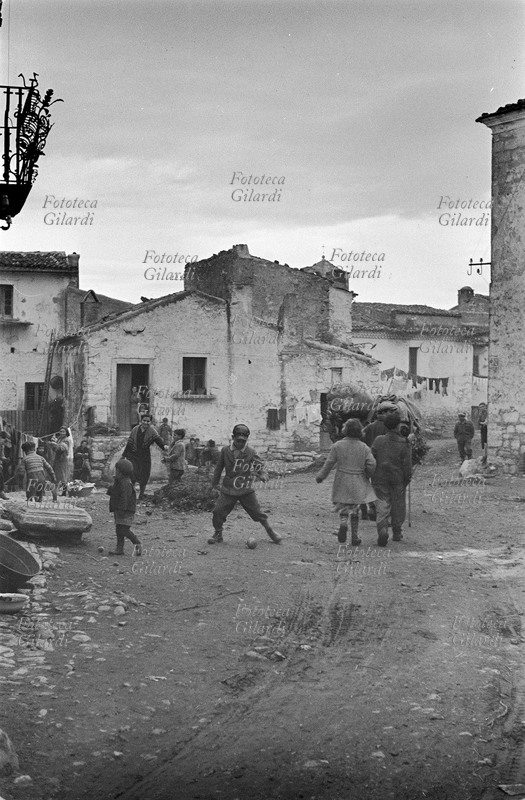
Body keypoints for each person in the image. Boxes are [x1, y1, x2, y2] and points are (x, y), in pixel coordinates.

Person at [209, 424, 281, 545]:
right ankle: (218, 533)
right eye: (238, 441)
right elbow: (218, 468)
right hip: (228, 488)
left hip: (245, 489)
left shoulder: (251, 452)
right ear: (233, 437)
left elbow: (260, 466)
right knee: (218, 511)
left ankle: (270, 531)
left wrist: (263, 474)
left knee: (258, 513)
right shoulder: (225, 450)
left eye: (244, 441)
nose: (241, 444)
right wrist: (214, 484)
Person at [316, 418, 376, 545]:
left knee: (343, 505)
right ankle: (354, 537)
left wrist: (321, 476)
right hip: (358, 480)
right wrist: (367, 474)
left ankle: (343, 523)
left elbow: (329, 463)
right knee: (355, 508)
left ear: (345, 430)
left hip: (342, 478)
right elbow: (372, 463)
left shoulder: (337, 446)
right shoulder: (364, 447)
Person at [371, 411, 412, 546]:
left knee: (382, 503)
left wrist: (370, 473)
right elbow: (407, 464)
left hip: (380, 477)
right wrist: (407, 478)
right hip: (397, 478)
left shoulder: (378, 440)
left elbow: (372, 458)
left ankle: (382, 529)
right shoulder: (404, 443)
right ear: (397, 426)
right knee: (398, 504)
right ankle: (397, 532)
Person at [122, 414, 168, 500]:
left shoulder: (152, 431)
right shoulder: (135, 429)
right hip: (133, 456)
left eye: (148, 421)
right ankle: (131, 495)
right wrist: (123, 455)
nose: (145, 422)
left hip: (144, 457)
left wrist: (164, 446)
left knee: (144, 475)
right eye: (144, 420)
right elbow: (129, 443)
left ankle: (141, 495)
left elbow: (158, 440)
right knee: (132, 474)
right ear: (141, 421)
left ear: (150, 422)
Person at [106, 459, 142, 556]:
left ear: (121, 472)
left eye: (117, 471)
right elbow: (115, 492)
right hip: (120, 509)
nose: (115, 472)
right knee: (119, 530)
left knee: (124, 530)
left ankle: (137, 543)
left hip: (126, 510)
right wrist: (110, 488)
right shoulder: (120, 481)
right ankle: (119, 548)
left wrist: (122, 509)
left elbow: (124, 498)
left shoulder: (125, 483)